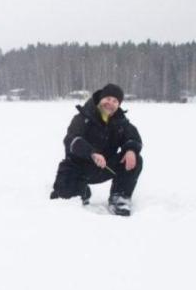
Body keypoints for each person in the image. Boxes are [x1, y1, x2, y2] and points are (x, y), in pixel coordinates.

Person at [49, 83, 143, 216]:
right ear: (100, 99)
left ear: (119, 105)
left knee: (135, 158)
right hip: (77, 167)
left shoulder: (121, 123)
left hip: (104, 167)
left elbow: (132, 137)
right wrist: (91, 153)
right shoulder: (82, 118)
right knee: (61, 199)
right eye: (108, 99)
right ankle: (81, 190)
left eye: (115, 101)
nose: (110, 103)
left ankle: (120, 198)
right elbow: (71, 140)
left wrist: (131, 150)